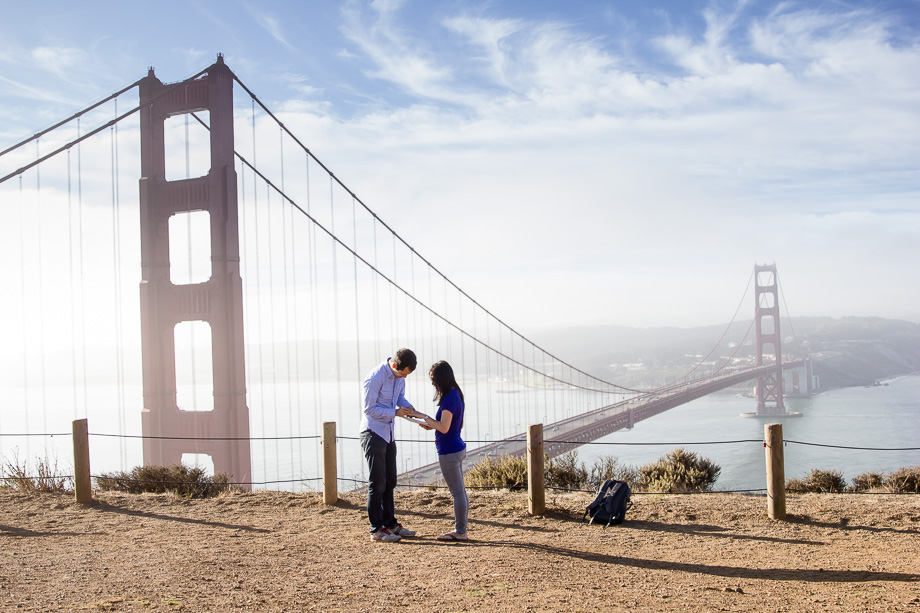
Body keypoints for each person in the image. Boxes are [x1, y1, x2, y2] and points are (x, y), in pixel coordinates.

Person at [360, 348, 420, 542]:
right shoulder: (375, 377)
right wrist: (395, 413)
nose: (404, 377)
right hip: (373, 432)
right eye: (403, 373)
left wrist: (408, 408)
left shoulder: (400, 378)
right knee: (377, 484)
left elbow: (399, 398)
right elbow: (369, 409)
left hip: (389, 434)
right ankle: (376, 529)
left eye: (407, 375)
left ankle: (390, 525)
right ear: (394, 365)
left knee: (390, 482)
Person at [416, 360, 469, 541]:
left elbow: (445, 428)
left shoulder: (448, 398)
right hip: (458, 447)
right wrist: (433, 426)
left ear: (441, 379)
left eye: (433, 379)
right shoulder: (457, 395)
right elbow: (457, 424)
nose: (432, 383)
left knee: (457, 493)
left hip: (448, 451)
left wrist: (423, 417)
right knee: (460, 492)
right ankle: (462, 530)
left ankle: (460, 532)